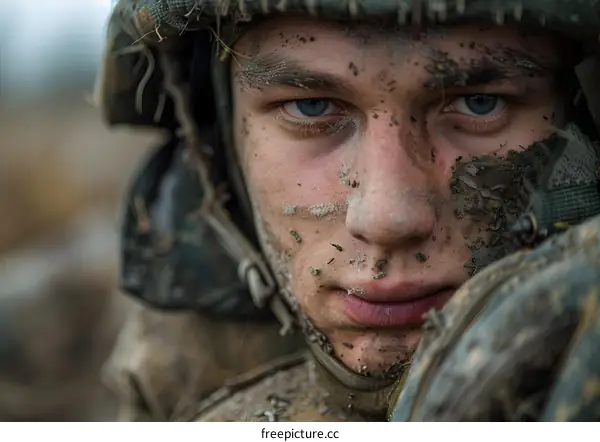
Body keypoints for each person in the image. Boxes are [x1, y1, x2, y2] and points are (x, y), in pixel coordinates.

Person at [97, 0, 600, 421]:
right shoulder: (164, 371)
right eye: (311, 106)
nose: (386, 219)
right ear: (225, 143)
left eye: (479, 103)